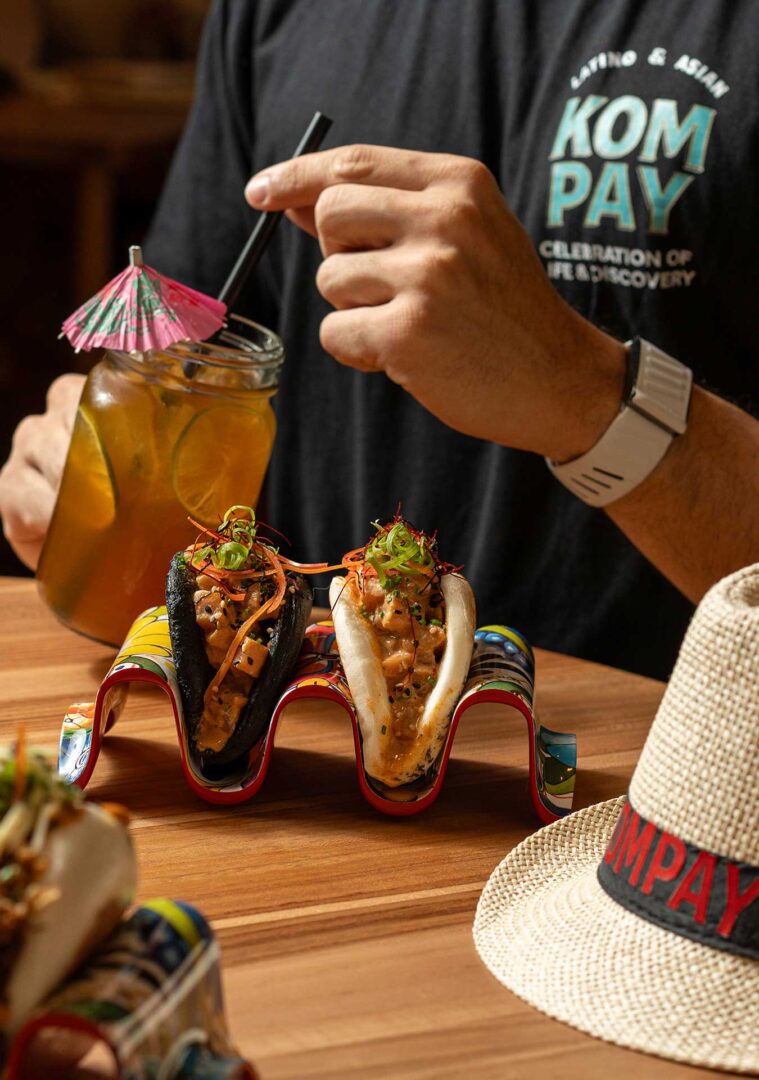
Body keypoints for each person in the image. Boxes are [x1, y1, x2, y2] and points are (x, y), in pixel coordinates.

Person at [1, 0, 757, 679]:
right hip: (297, 752)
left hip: (667, 765)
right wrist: (90, 481)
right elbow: (184, 380)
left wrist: (586, 394)